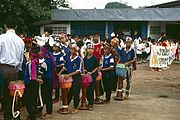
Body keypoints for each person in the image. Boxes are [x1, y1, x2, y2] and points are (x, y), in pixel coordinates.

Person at [0, 17, 25, 120]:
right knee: (13, 96)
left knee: (4, 96)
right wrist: (17, 70)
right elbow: (21, 59)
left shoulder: (1, 37)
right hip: (14, 70)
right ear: (16, 27)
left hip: (2, 69)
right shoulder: (20, 41)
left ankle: (8, 117)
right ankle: (15, 116)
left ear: (5, 26)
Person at [66, 44, 82, 113]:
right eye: (71, 49)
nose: (71, 50)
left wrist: (69, 75)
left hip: (76, 77)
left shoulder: (79, 59)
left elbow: (78, 71)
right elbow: (65, 67)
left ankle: (76, 107)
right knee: (70, 92)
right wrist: (60, 73)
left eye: (73, 49)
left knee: (76, 92)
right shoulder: (68, 58)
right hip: (70, 77)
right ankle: (66, 105)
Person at [83, 43, 99, 110]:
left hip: (93, 75)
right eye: (89, 49)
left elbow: (97, 67)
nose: (90, 50)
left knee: (91, 89)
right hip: (86, 75)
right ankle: (86, 101)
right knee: (86, 89)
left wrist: (92, 72)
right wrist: (86, 71)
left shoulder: (95, 58)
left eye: (92, 49)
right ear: (86, 50)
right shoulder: (85, 58)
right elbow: (83, 66)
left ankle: (91, 103)